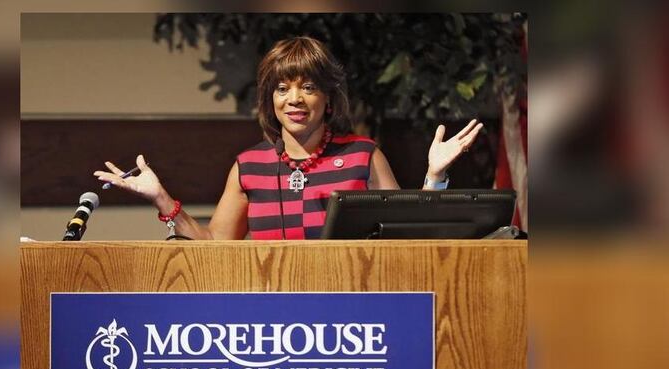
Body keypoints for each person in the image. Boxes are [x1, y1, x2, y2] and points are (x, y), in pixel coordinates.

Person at [94, 36, 483, 240]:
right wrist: (161, 199)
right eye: (282, 88)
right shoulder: (249, 166)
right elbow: (215, 245)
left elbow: (409, 238)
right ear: (270, 100)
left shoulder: (363, 155)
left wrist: (434, 177)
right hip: (273, 322)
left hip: (353, 321)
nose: (294, 99)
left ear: (328, 99)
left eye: (308, 87)